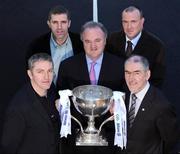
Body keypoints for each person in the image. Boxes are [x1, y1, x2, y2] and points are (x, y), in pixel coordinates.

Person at [57, 21, 124, 154]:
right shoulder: (67, 66)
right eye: (87, 41)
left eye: (97, 40)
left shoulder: (120, 66)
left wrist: (119, 103)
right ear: (82, 41)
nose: (93, 46)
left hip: (109, 137)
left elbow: (126, 92)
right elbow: (60, 94)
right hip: (77, 139)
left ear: (105, 40)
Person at [0, 53, 60, 154]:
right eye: (40, 72)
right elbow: (8, 147)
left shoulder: (52, 91)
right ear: (30, 74)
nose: (46, 77)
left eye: (49, 71)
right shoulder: (18, 107)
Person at [122, 55, 179, 154]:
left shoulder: (161, 105)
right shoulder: (122, 97)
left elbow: (171, 141)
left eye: (137, 73)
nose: (131, 78)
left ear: (147, 75)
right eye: (127, 73)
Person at [106, 6, 166, 88]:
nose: (129, 26)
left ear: (142, 22)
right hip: (115, 95)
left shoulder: (156, 46)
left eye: (133, 22)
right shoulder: (110, 40)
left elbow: (157, 80)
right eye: (125, 22)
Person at [26, 5, 84, 85]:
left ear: (69, 23)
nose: (59, 27)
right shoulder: (36, 46)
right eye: (55, 22)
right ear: (49, 24)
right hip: (48, 94)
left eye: (63, 22)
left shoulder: (81, 43)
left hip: (75, 93)